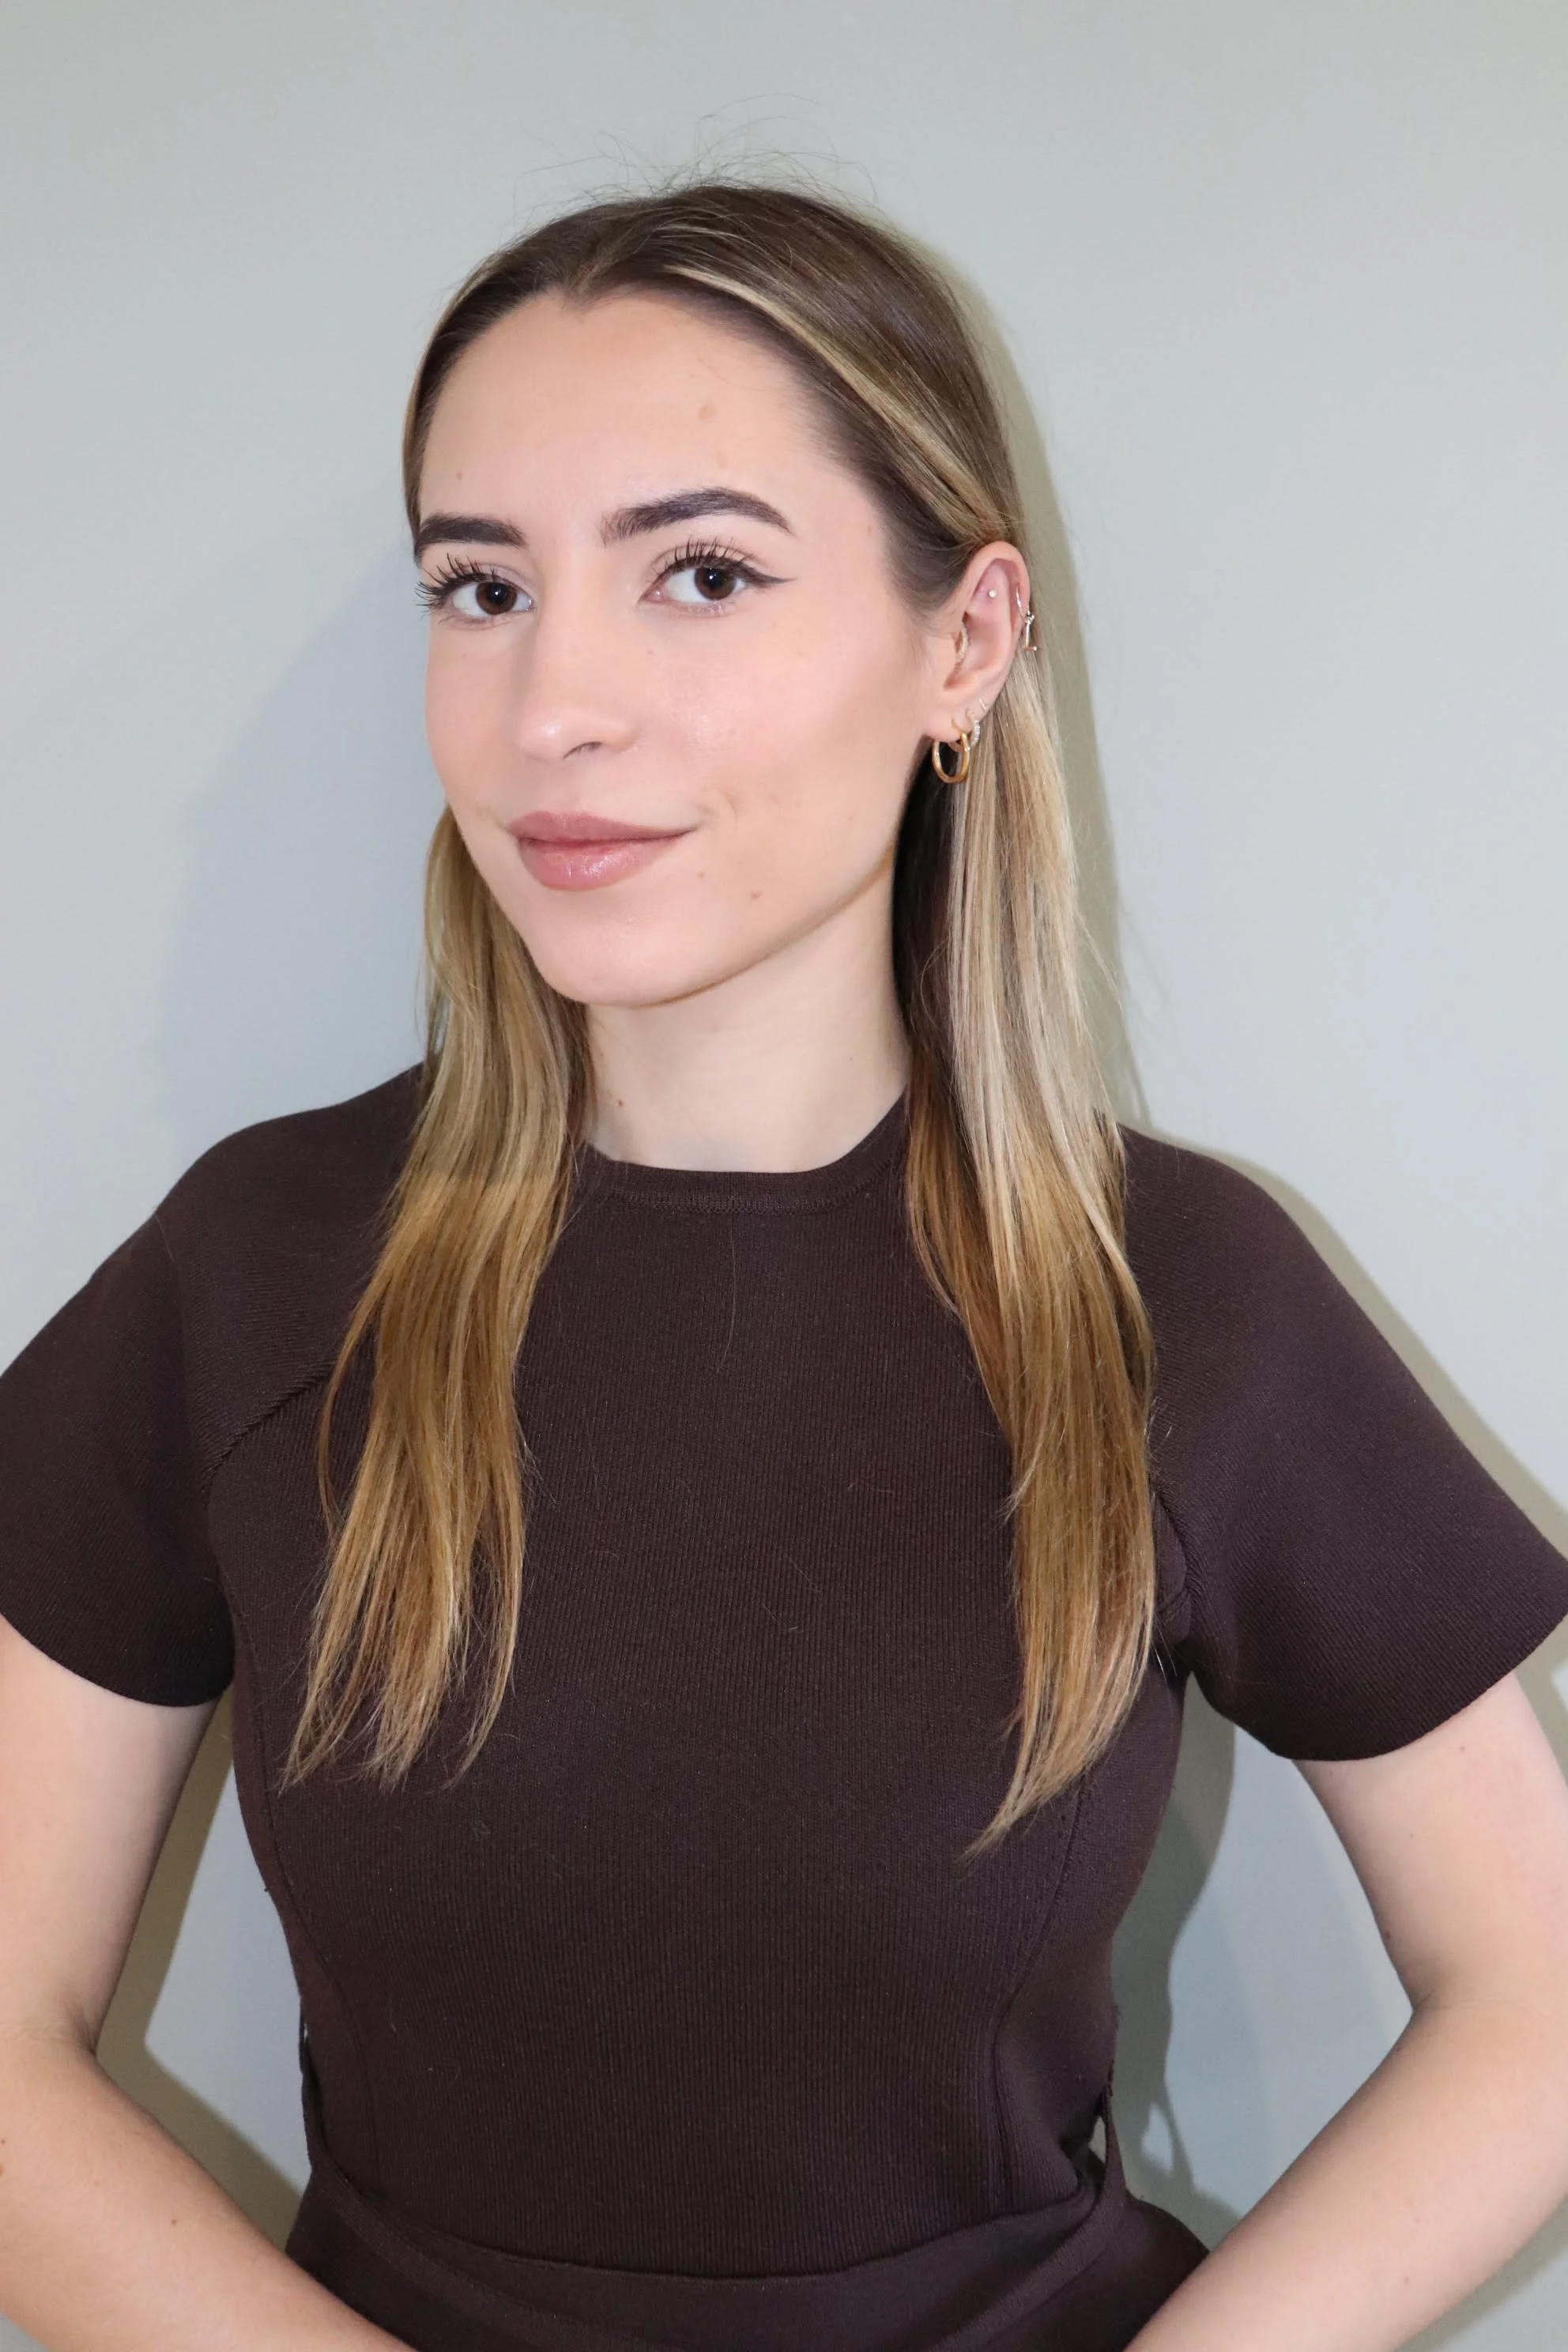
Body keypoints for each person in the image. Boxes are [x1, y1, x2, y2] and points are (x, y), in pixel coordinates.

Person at [2, 178, 1567, 2352]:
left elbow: (1543, 1997)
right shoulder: (252, 1280)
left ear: (967, 643)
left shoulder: (1179, 1304)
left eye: (702, 574)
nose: (551, 703)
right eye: (481, 587)